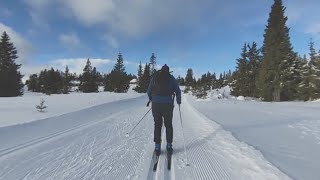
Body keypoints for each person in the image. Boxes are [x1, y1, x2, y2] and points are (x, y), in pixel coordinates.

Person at [147, 64, 181, 156]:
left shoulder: (155, 77)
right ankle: (169, 146)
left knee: (157, 125)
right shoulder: (171, 78)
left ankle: (157, 147)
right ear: (168, 71)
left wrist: (152, 99)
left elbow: (149, 91)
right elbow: (177, 90)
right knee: (168, 125)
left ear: (161, 70)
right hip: (167, 105)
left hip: (156, 105)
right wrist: (179, 100)